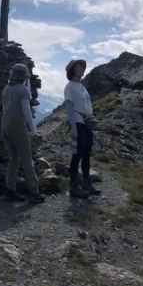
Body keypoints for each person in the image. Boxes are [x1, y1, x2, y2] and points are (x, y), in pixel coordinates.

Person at [1, 63, 45, 204]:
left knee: (13, 159)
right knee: (27, 160)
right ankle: (34, 193)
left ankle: (10, 190)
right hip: (18, 127)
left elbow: (4, 108)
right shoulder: (23, 91)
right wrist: (34, 131)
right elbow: (26, 112)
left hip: (5, 125)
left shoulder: (6, 89)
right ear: (24, 76)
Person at [64, 59, 101, 198]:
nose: (82, 69)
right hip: (78, 122)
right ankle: (74, 187)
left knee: (86, 154)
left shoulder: (82, 87)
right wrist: (73, 126)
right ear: (72, 70)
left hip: (87, 122)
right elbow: (69, 107)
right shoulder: (70, 87)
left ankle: (87, 183)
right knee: (77, 154)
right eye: (79, 67)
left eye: (83, 67)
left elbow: (87, 104)